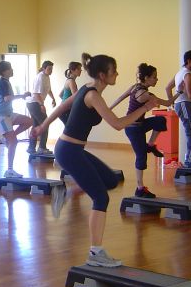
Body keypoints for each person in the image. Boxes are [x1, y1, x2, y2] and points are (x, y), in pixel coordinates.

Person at [32, 53, 158, 267]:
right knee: (101, 198)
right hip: (69, 150)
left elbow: (63, 107)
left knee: (109, 180)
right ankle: (95, 253)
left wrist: (43, 126)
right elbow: (118, 124)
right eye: (114, 71)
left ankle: (65, 192)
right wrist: (145, 109)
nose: (117, 73)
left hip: (74, 149)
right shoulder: (91, 95)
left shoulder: (87, 89)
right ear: (103, 75)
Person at [111, 63, 182, 198]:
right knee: (141, 156)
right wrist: (106, 111)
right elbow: (167, 103)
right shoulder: (145, 95)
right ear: (147, 78)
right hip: (132, 129)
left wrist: (180, 92)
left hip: (141, 124)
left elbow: (120, 98)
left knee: (160, 120)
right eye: (154, 77)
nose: (156, 79)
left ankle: (150, 145)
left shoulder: (135, 87)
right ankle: (140, 188)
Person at [0, 60, 33, 178]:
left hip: (8, 114)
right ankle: (9, 170)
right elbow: (7, 98)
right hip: (0, 116)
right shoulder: (3, 82)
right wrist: (22, 96)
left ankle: (7, 138)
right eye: (10, 68)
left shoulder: (5, 81)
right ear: (5, 71)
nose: (12, 70)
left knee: (29, 121)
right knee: (14, 142)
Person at [26, 60, 57, 154]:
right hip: (34, 103)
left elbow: (48, 89)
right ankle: (42, 148)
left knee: (36, 125)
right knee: (45, 124)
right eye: (49, 69)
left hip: (35, 103)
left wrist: (53, 99)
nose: (51, 71)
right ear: (44, 68)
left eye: (52, 69)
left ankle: (31, 148)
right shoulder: (40, 77)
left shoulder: (47, 77)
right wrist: (41, 104)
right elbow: (35, 94)